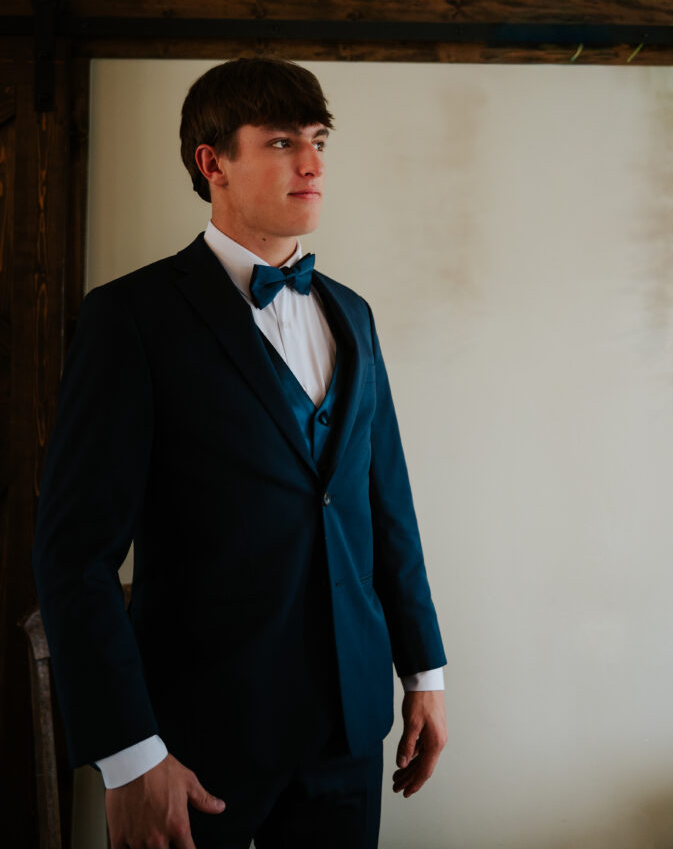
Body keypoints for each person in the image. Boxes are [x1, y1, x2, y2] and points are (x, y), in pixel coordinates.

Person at [32, 56, 447, 849]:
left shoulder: (351, 314)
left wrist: (421, 674)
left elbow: (386, 505)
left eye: (318, 140)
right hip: (195, 740)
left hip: (350, 730)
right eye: (284, 141)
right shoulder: (130, 319)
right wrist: (130, 758)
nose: (313, 163)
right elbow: (74, 557)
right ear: (212, 162)